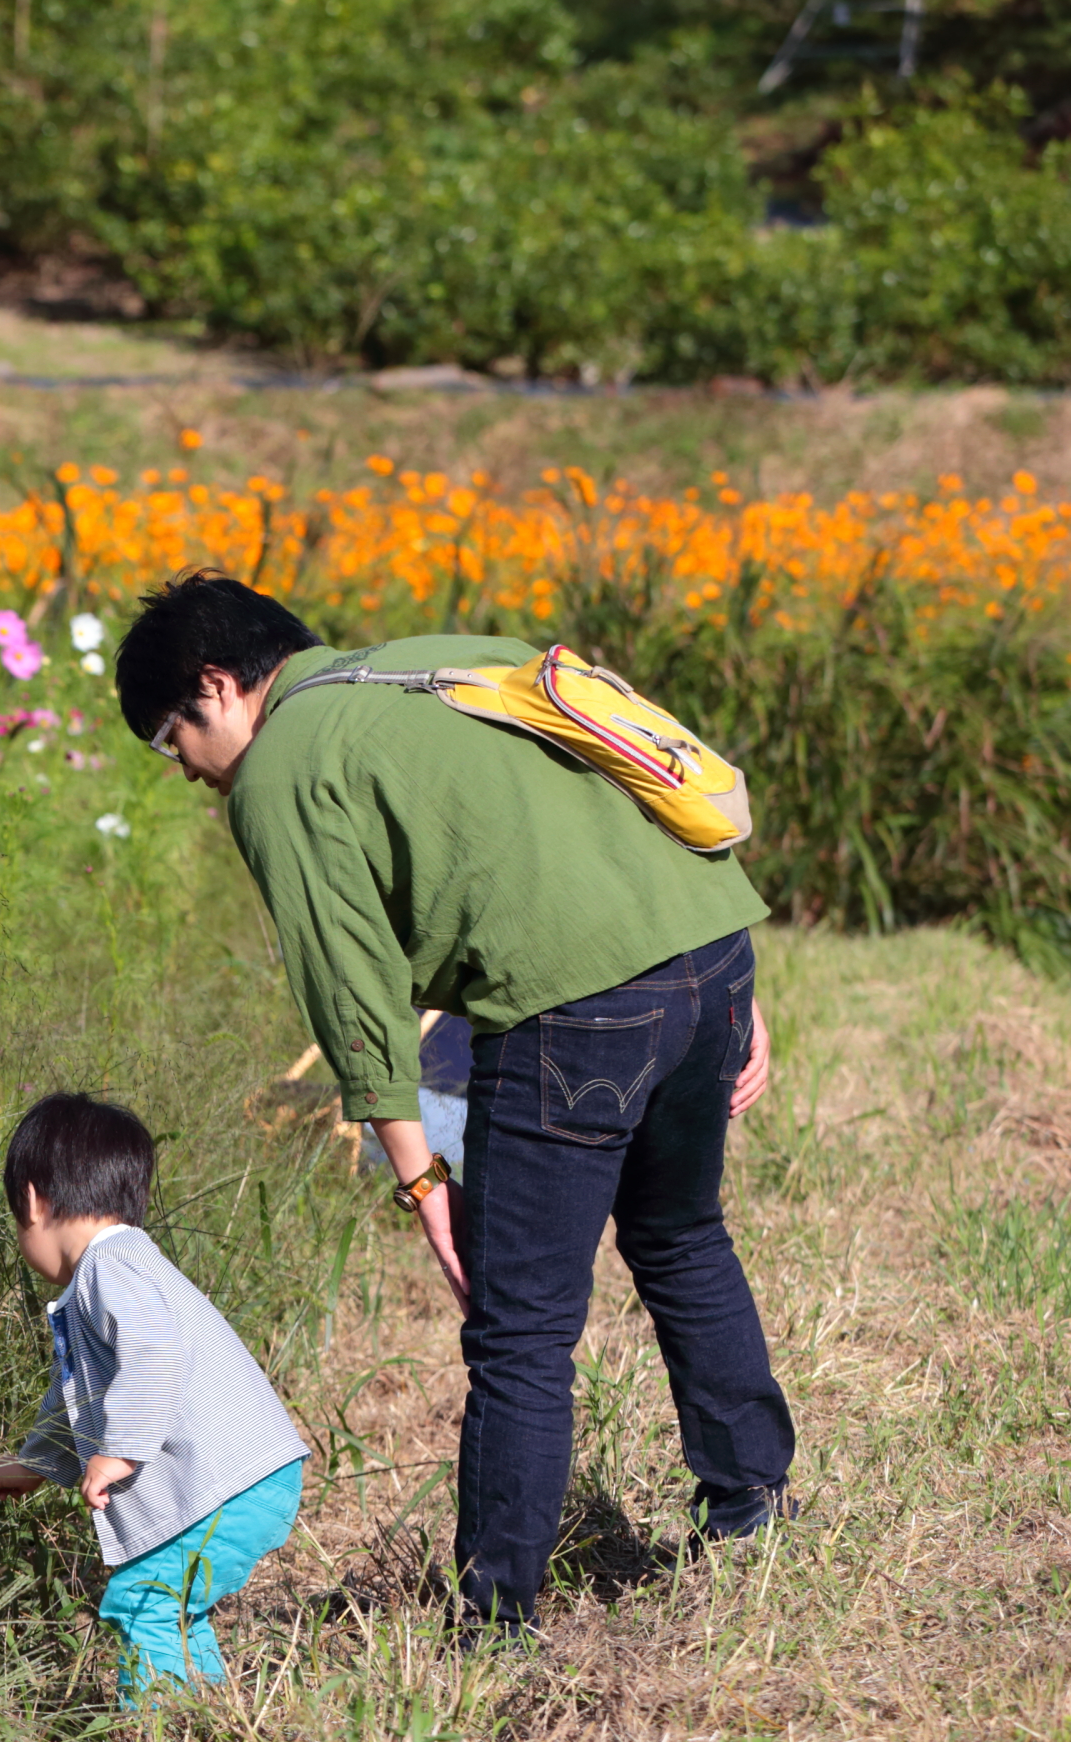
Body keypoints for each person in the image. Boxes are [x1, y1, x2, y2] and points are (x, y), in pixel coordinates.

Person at [112, 571, 795, 1640]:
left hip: (579, 1004)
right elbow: (637, 783)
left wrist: (420, 1172)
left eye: (168, 740)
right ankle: (755, 1509)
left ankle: (494, 1622)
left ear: (217, 685)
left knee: (520, 1330)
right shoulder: (448, 653)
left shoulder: (281, 767)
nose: (187, 773)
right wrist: (726, 990)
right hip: (708, 946)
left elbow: (353, 991)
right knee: (680, 1233)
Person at [0, 1092, 311, 1703]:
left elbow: (155, 1353)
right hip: (250, 1477)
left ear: (32, 1200)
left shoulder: (110, 1266)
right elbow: (77, 1396)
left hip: (222, 1486)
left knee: (142, 1603)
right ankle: (200, 1724)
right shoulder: (125, 1264)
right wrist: (36, 1465)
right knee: (170, 1607)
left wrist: (121, 1452)